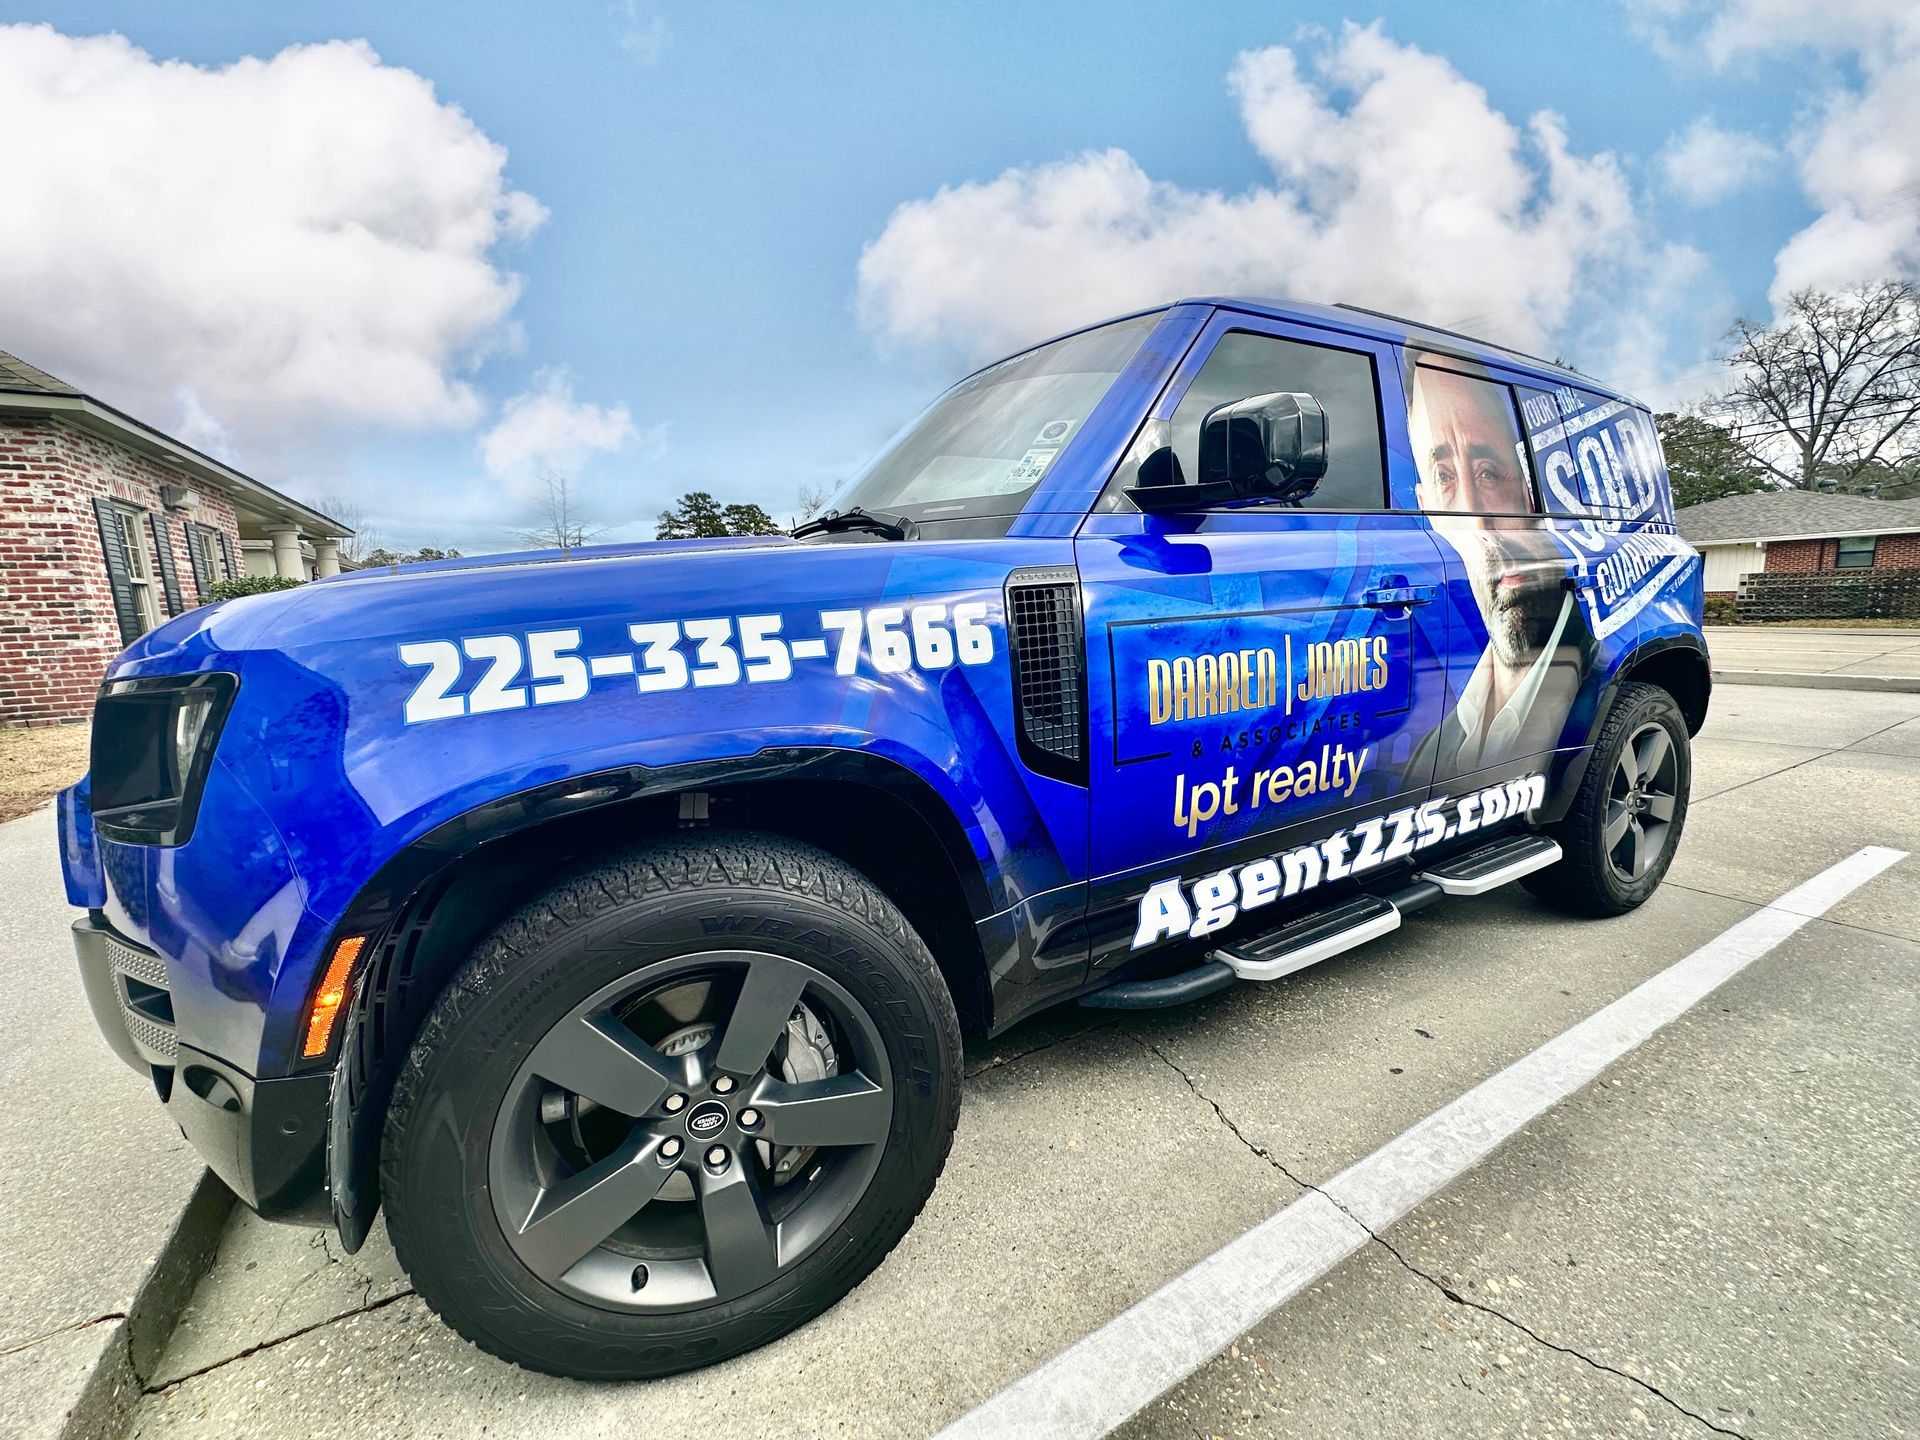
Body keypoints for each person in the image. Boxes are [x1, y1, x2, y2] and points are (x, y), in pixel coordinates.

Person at [1407, 364, 1592, 777]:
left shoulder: (1595, 669)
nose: (1477, 523)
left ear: (1537, 487)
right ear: (1427, 509)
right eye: (1444, 478)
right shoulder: (1436, 747)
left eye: (1489, 472)